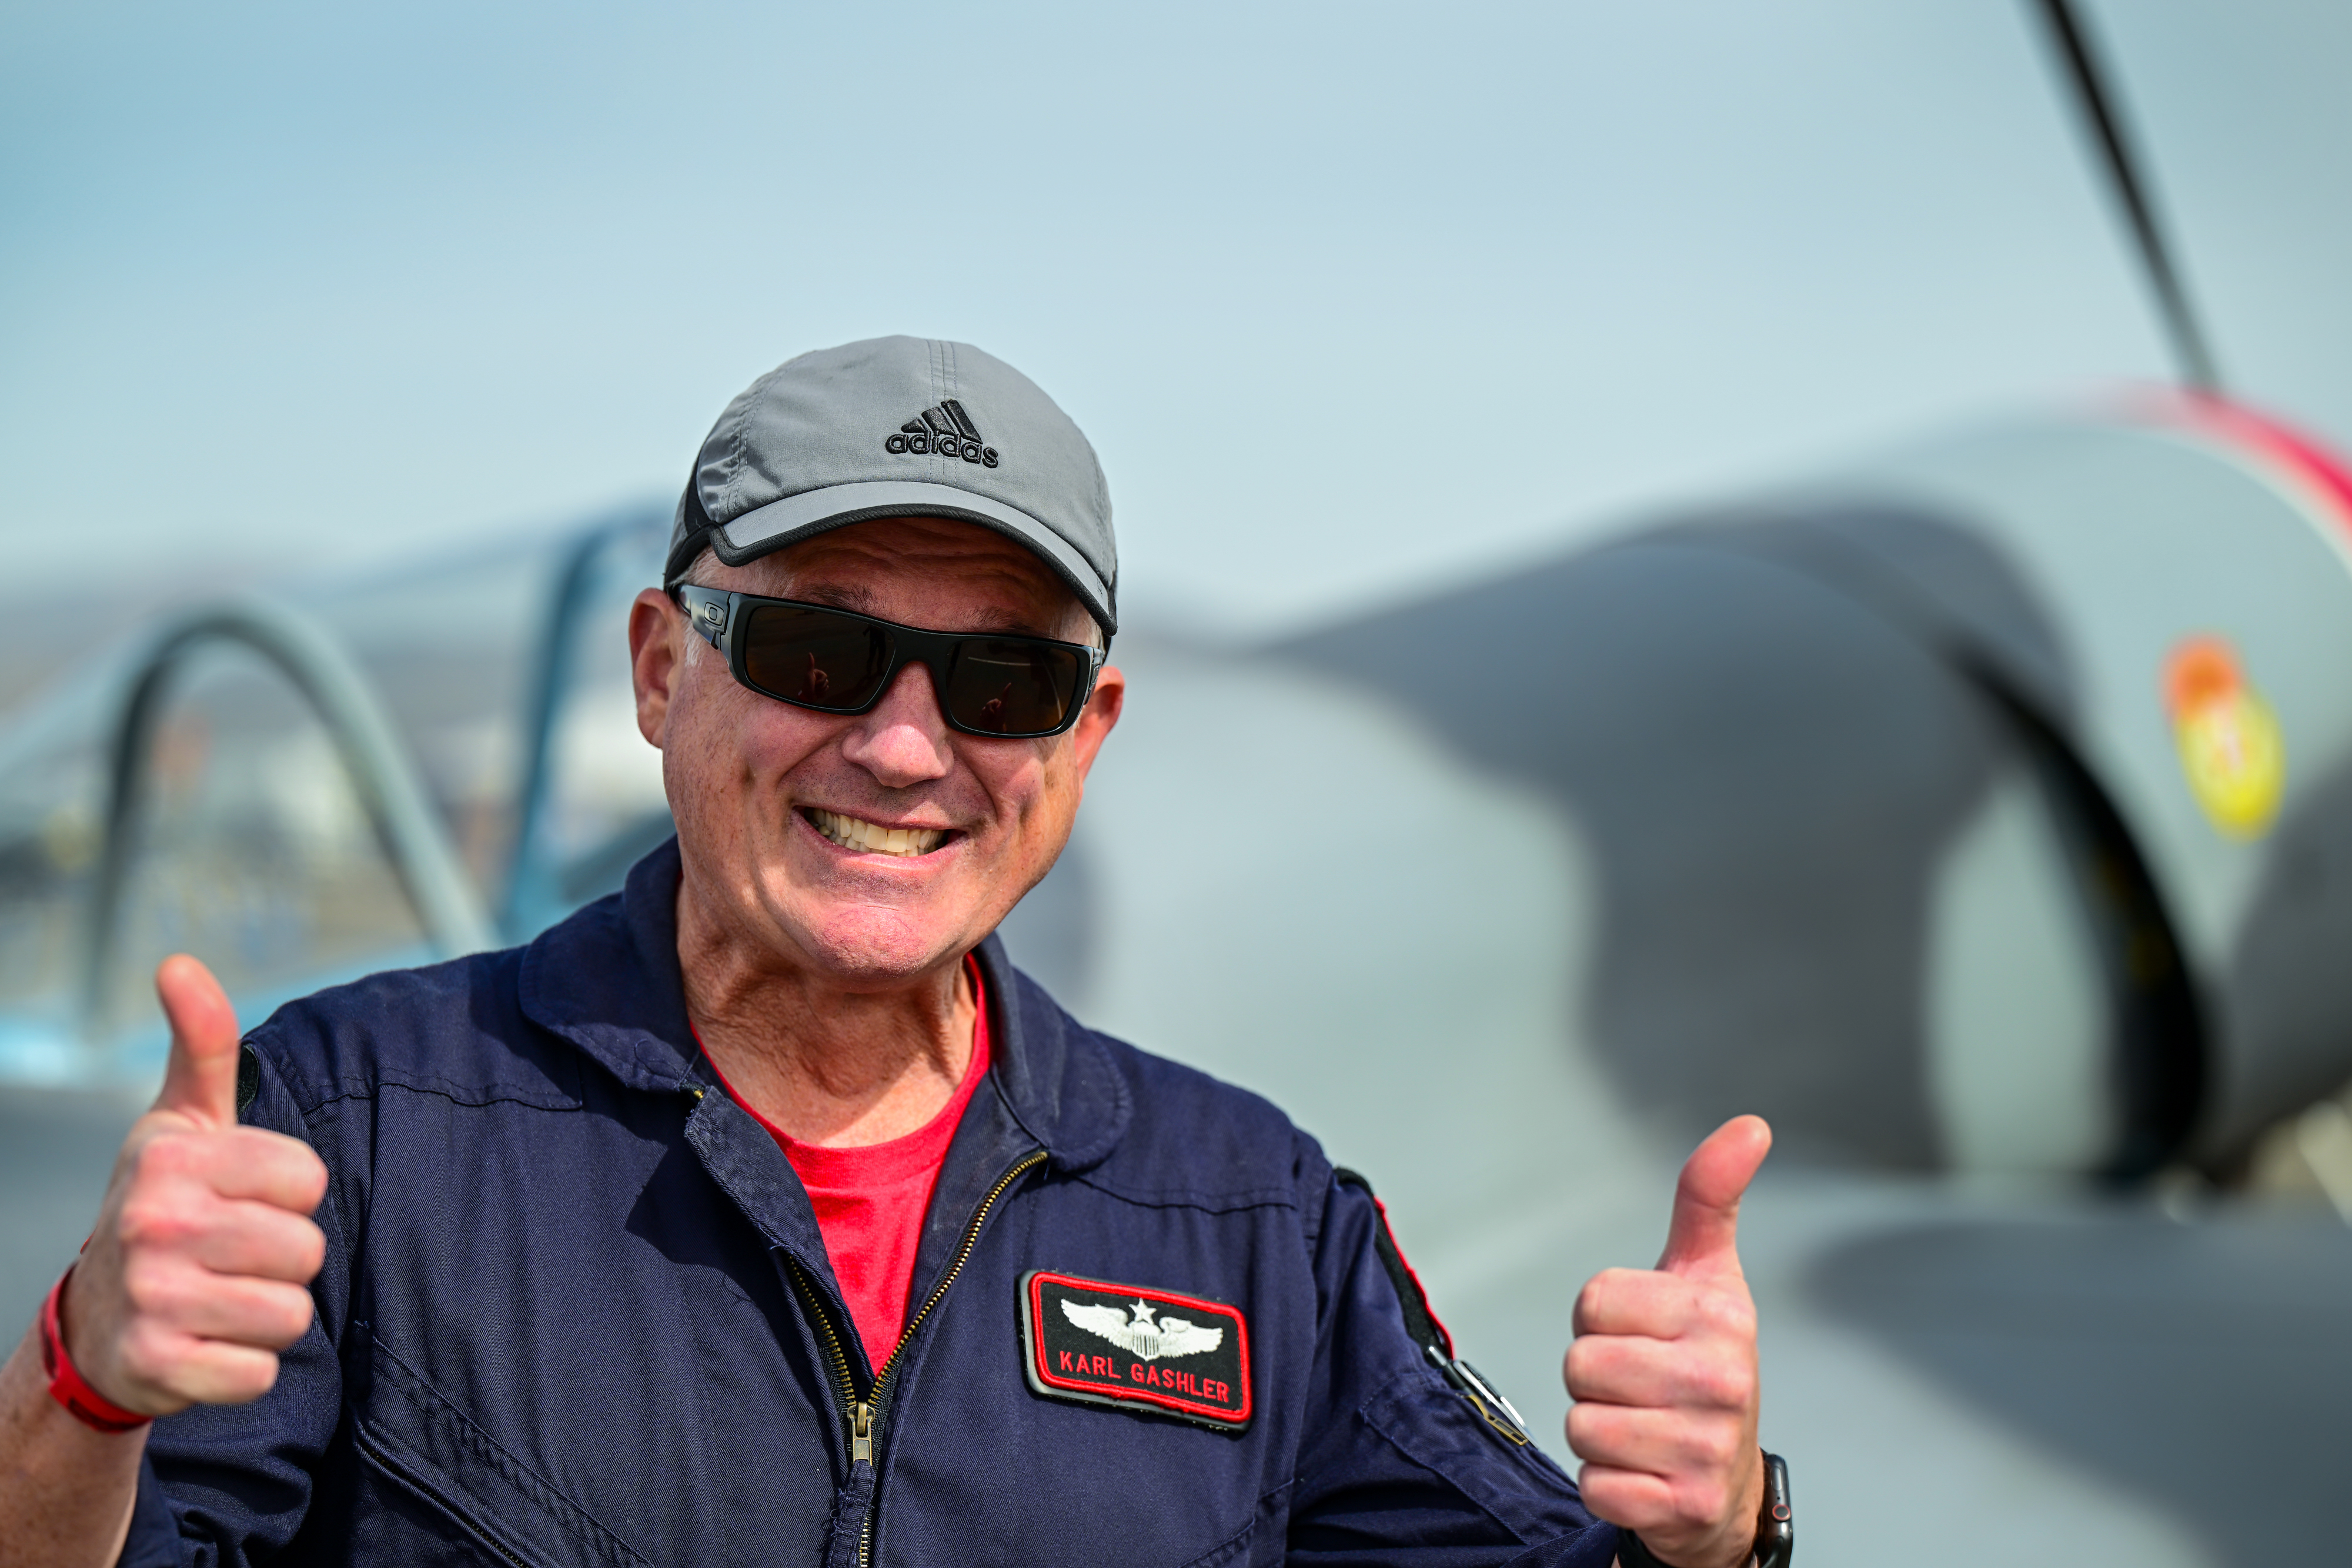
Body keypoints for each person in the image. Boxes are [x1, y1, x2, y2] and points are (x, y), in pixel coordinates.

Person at [0, 337, 1784, 1568]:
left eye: (1001, 683)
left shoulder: (1258, 1219)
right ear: (658, 671)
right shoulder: (351, 1127)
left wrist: (1715, 1529)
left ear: (1082, 740)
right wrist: (82, 1381)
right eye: (820, 653)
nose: (908, 747)